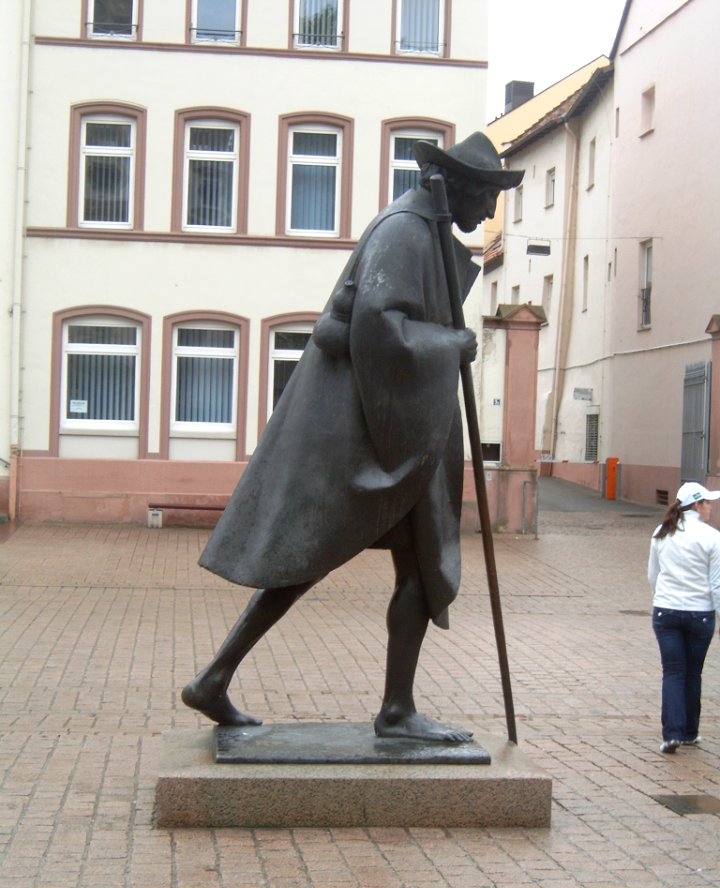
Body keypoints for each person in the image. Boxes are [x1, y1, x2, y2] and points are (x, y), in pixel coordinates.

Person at [182, 132, 524, 741]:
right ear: (460, 186)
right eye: (488, 195)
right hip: (367, 436)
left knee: (415, 567)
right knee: (303, 559)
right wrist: (450, 344)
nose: (490, 212)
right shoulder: (404, 230)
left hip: (398, 434)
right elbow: (372, 325)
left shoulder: (427, 234)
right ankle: (220, 678)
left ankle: (392, 709)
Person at [648, 481, 720, 753]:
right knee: (693, 673)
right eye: (708, 503)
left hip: (665, 611)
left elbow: (652, 575)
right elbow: (716, 585)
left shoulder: (662, 532)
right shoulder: (712, 537)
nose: (711, 507)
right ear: (698, 505)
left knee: (673, 672)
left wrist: (663, 599)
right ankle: (689, 731)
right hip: (700, 614)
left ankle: (672, 734)